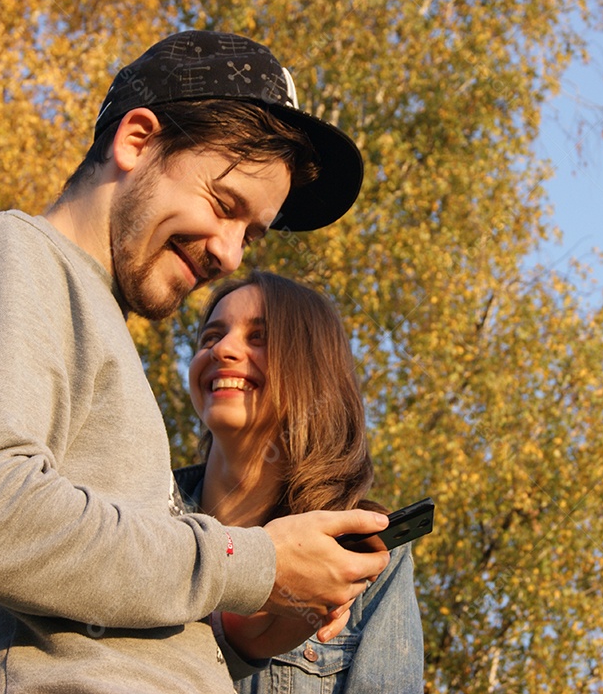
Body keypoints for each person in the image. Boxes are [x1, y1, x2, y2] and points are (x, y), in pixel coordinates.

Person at [0, 30, 392, 693]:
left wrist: (234, 639)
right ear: (137, 140)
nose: (231, 255)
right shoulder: (8, 254)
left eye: (250, 234)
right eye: (224, 205)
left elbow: (84, 635)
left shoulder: (90, 322)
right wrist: (253, 561)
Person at [173, 271, 425, 692]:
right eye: (210, 337)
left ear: (313, 371)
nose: (223, 349)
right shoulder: (140, 514)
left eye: (259, 338)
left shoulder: (366, 558)